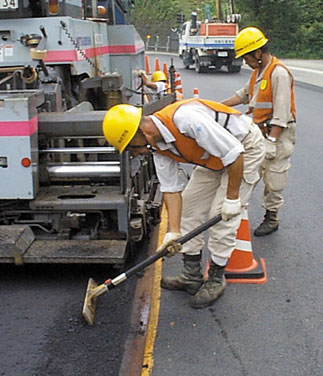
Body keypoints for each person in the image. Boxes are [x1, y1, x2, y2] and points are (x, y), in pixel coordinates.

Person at [102, 98, 265, 308]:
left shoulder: (186, 120)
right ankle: (191, 274)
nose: (134, 153)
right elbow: (171, 189)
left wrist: (232, 199)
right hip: (214, 157)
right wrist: (174, 232)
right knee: (189, 206)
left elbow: (234, 154)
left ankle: (216, 278)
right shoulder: (157, 148)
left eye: (132, 148)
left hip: (244, 149)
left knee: (221, 215)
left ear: (142, 133)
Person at [221, 27, 296, 237]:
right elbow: (243, 95)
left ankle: (271, 217)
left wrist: (272, 140)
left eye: (246, 57)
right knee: (248, 172)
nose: (245, 62)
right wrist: (217, 107)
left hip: (278, 135)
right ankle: (236, 209)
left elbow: (281, 112)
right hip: (258, 132)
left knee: (274, 177)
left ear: (256, 53)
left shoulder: (278, 73)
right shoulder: (258, 72)